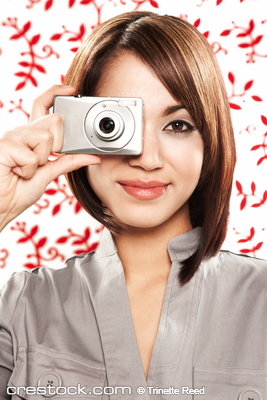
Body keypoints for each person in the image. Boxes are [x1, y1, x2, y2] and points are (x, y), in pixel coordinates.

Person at [0, 10, 266, 400]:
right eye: (114, 123)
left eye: (178, 125)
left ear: (210, 140)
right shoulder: (21, 307)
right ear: (75, 127)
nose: (147, 158)